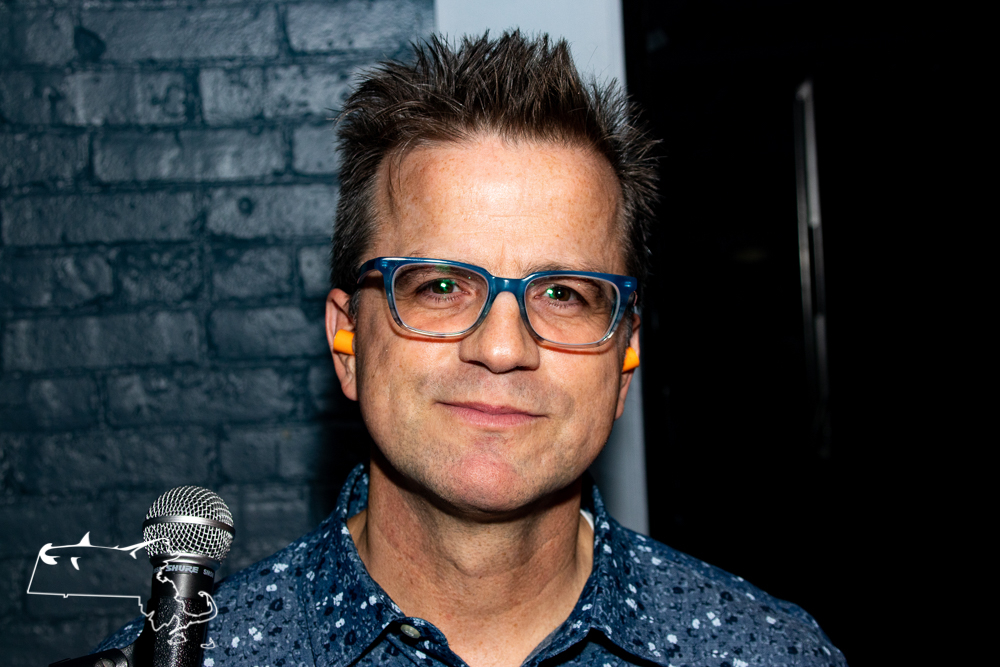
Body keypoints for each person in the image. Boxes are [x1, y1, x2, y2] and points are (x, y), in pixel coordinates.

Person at [99, 32, 846, 667]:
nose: (501, 347)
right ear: (347, 342)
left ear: (624, 358)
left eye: (563, 294)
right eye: (440, 286)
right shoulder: (190, 657)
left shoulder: (767, 653)